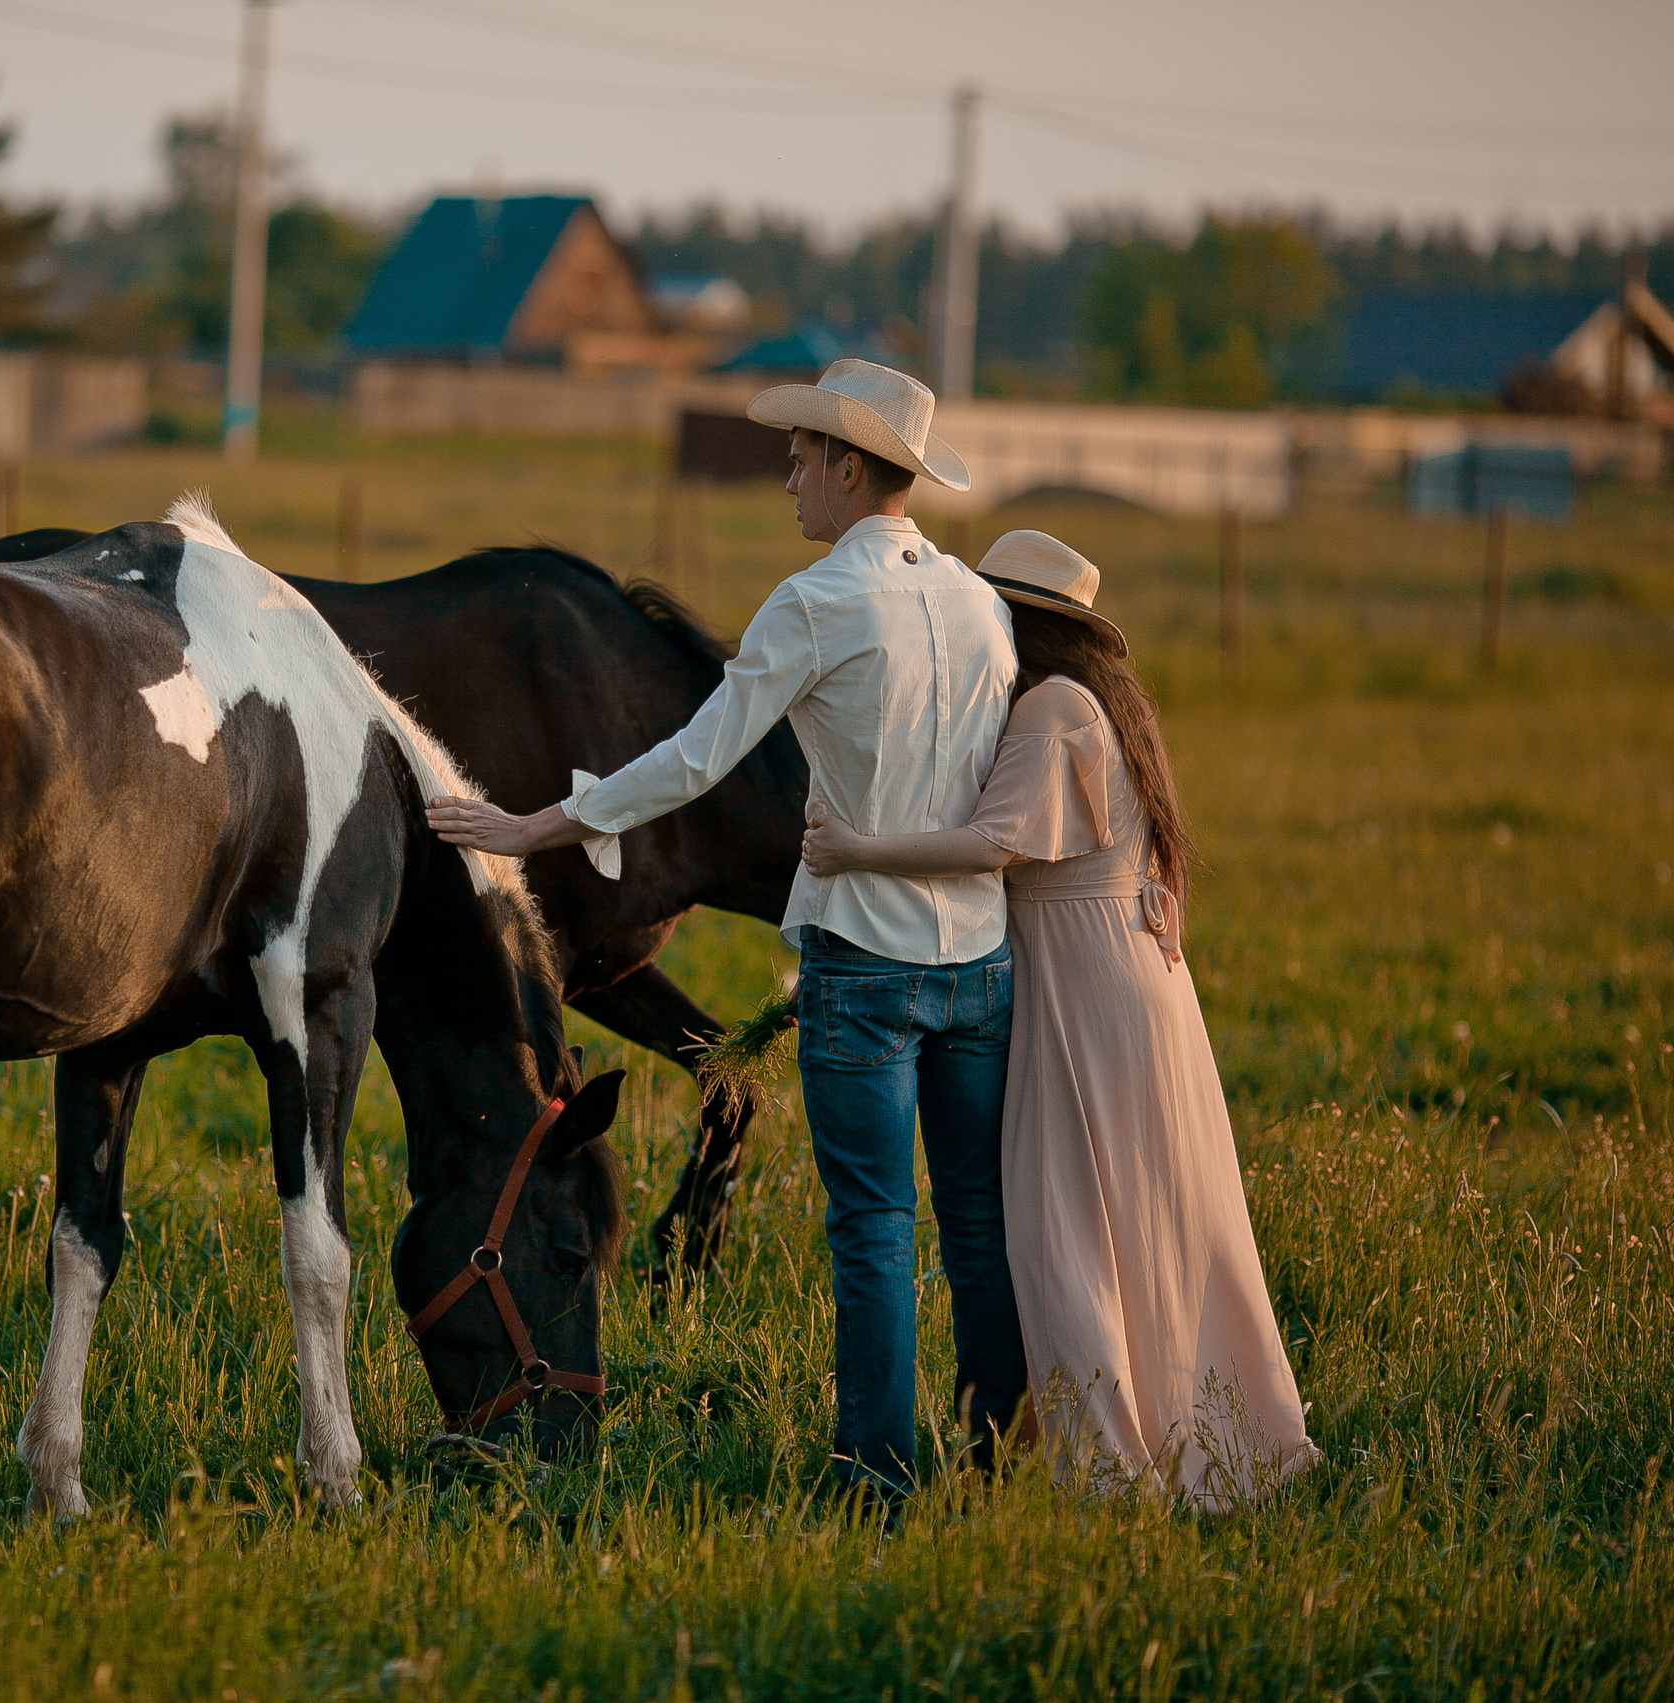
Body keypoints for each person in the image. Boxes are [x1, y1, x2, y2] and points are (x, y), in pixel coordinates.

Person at [427, 359, 1027, 1508]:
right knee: (976, 1221)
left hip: (864, 962)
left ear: (848, 467)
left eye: (800, 459)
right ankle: (998, 1461)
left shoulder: (813, 603)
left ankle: (876, 1480)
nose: (788, 479)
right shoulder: (980, 602)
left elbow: (694, 761)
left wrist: (531, 825)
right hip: (980, 962)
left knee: (873, 1230)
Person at [801, 530, 1321, 1509]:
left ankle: (1105, 1468)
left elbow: (992, 842)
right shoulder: (1106, 705)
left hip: (1082, 989)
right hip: (1121, 975)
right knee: (1139, 1218)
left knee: (1061, 1231)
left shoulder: (1050, 709)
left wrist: (856, 852)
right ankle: (1189, 1431)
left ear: (1017, 625)